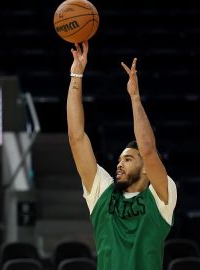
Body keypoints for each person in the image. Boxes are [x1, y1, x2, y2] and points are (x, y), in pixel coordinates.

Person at [66, 41, 177, 270]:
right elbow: (76, 137)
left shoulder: (161, 198)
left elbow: (147, 149)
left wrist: (135, 98)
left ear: (146, 167)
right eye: (119, 160)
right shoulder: (102, 194)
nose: (119, 164)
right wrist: (76, 74)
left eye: (127, 159)